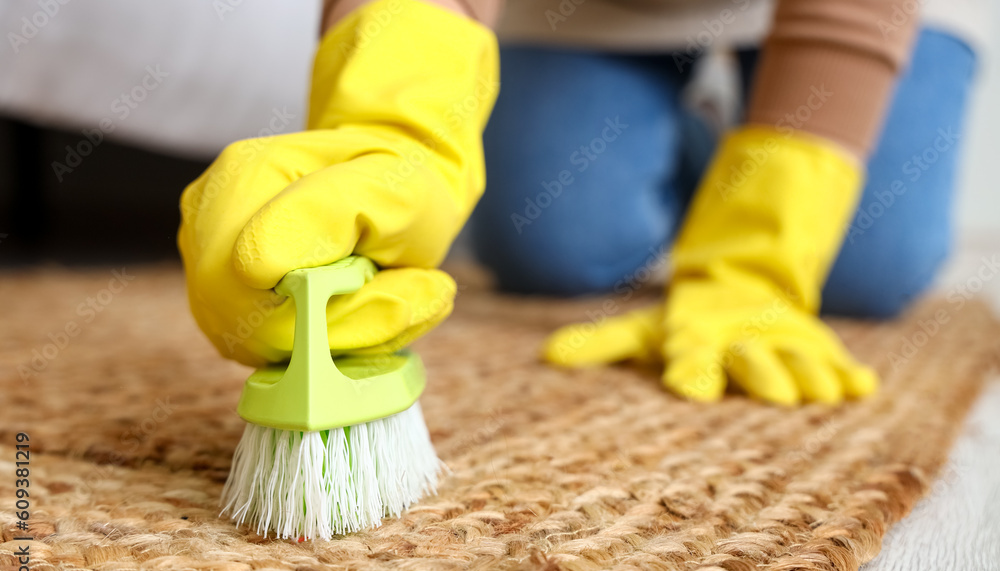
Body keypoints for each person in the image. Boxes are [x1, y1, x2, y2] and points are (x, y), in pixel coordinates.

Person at [178, 0, 982, 407]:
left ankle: (737, 133)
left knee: (867, 266)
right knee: (554, 246)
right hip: (590, 16)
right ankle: (705, 133)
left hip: (846, 16)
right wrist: (388, 127)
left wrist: (757, 260)